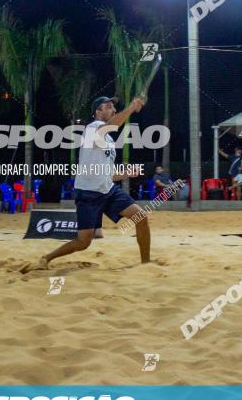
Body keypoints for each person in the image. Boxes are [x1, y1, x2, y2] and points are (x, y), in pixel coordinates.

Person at [22, 96, 149, 272]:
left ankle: (146, 264)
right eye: (108, 107)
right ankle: (46, 258)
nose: (112, 109)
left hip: (107, 191)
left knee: (141, 217)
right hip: (89, 194)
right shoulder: (92, 128)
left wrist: (125, 174)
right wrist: (131, 107)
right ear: (98, 111)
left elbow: (107, 175)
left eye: (113, 107)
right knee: (83, 242)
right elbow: (113, 125)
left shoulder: (110, 142)